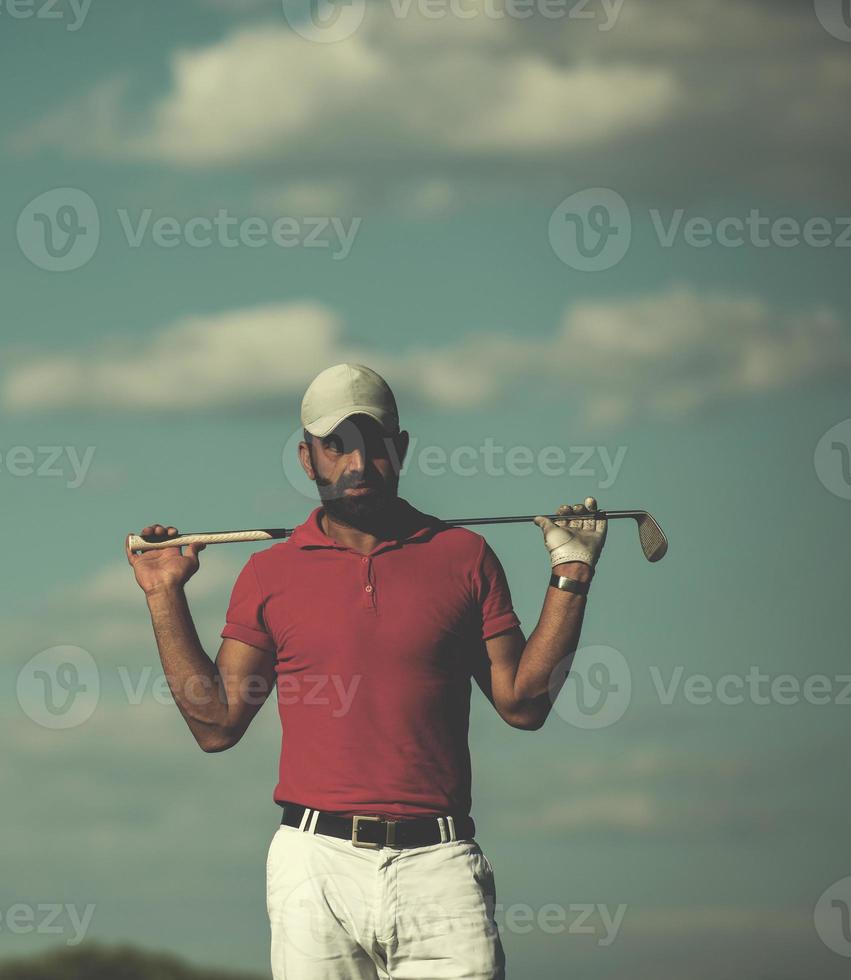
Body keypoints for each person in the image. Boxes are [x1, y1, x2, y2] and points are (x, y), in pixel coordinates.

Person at [125, 363, 607, 979]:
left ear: (400, 449)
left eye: (373, 445)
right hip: (314, 862)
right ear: (307, 459)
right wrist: (164, 594)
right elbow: (216, 724)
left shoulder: (463, 556)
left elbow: (523, 704)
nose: (356, 464)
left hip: (440, 863)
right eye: (336, 447)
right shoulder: (269, 573)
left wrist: (571, 575)